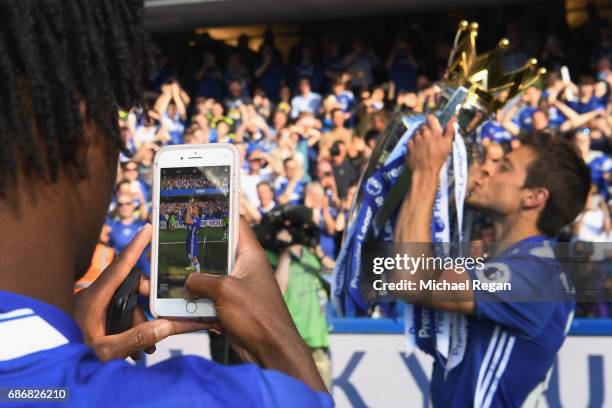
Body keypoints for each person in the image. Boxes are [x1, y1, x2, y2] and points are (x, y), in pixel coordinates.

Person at [0, 2, 331, 406]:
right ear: (82, 144)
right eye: (115, 136)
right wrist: (275, 340)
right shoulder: (201, 398)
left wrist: (64, 342)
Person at [393, 115, 591, 407]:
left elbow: (411, 280)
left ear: (534, 197)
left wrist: (427, 171)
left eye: (504, 167)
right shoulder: (514, 264)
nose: (487, 168)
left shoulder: (537, 275)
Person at [185, 199, 203, 273]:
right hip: (189, 238)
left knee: (194, 257)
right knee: (190, 255)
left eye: (195, 209)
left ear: (198, 212)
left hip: (192, 240)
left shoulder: (197, 220)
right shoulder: (194, 218)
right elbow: (187, 219)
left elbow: (187, 221)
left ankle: (198, 273)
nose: (193, 209)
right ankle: (192, 267)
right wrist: (190, 204)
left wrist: (188, 210)